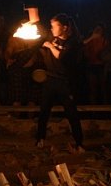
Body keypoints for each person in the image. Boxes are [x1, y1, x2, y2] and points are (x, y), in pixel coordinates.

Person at [34, 14, 84, 154]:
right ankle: (40, 138)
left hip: (65, 82)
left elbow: (61, 57)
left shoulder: (72, 43)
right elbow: (38, 42)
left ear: (64, 27)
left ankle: (79, 143)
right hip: (50, 80)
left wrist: (51, 46)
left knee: (71, 113)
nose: (52, 29)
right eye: (51, 26)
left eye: (55, 26)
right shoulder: (52, 38)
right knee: (44, 111)